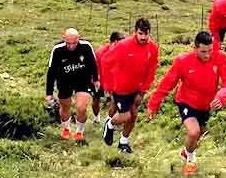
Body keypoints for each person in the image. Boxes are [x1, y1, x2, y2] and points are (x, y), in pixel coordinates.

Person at [146, 31, 226, 176]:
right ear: (195, 48)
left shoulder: (220, 57)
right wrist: (153, 104)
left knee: (198, 134)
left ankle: (186, 151)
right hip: (186, 101)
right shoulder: (183, 61)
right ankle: (191, 161)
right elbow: (167, 83)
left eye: (210, 51)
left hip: (206, 104)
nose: (207, 55)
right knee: (193, 132)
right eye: (203, 51)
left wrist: (221, 97)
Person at [102, 19, 159, 153]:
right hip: (121, 88)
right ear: (135, 32)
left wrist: (142, 91)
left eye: (146, 34)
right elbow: (105, 61)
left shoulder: (153, 48)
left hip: (137, 88)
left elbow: (151, 71)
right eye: (140, 33)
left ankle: (123, 143)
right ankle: (109, 125)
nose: (143, 37)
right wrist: (109, 85)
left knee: (133, 116)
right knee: (126, 116)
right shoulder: (123, 45)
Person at [45, 28, 99, 143]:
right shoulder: (57, 50)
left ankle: (79, 131)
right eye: (69, 43)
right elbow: (51, 72)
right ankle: (66, 127)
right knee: (65, 107)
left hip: (82, 81)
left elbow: (93, 63)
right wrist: (49, 93)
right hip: (64, 81)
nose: (71, 46)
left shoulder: (86, 46)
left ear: (78, 39)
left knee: (82, 107)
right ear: (64, 39)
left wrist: (95, 79)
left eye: (74, 43)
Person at [93, 31, 124, 124]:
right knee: (95, 100)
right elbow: (94, 67)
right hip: (99, 79)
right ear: (114, 42)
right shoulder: (100, 52)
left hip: (113, 80)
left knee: (115, 100)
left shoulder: (122, 52)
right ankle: (96, 118)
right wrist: (96, 79)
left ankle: (109, 121)